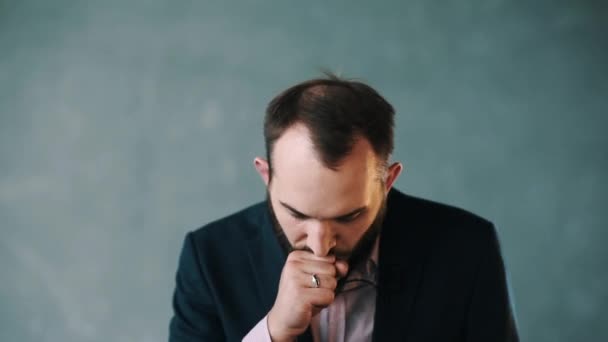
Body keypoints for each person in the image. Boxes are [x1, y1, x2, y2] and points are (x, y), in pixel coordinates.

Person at [168, 74, 519, 342]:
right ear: (266, 175)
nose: (320, 244)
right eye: (297, 214)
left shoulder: (467, 249)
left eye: (349, 216)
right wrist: (273, 332)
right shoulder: (209, 257)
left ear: (387, 182)